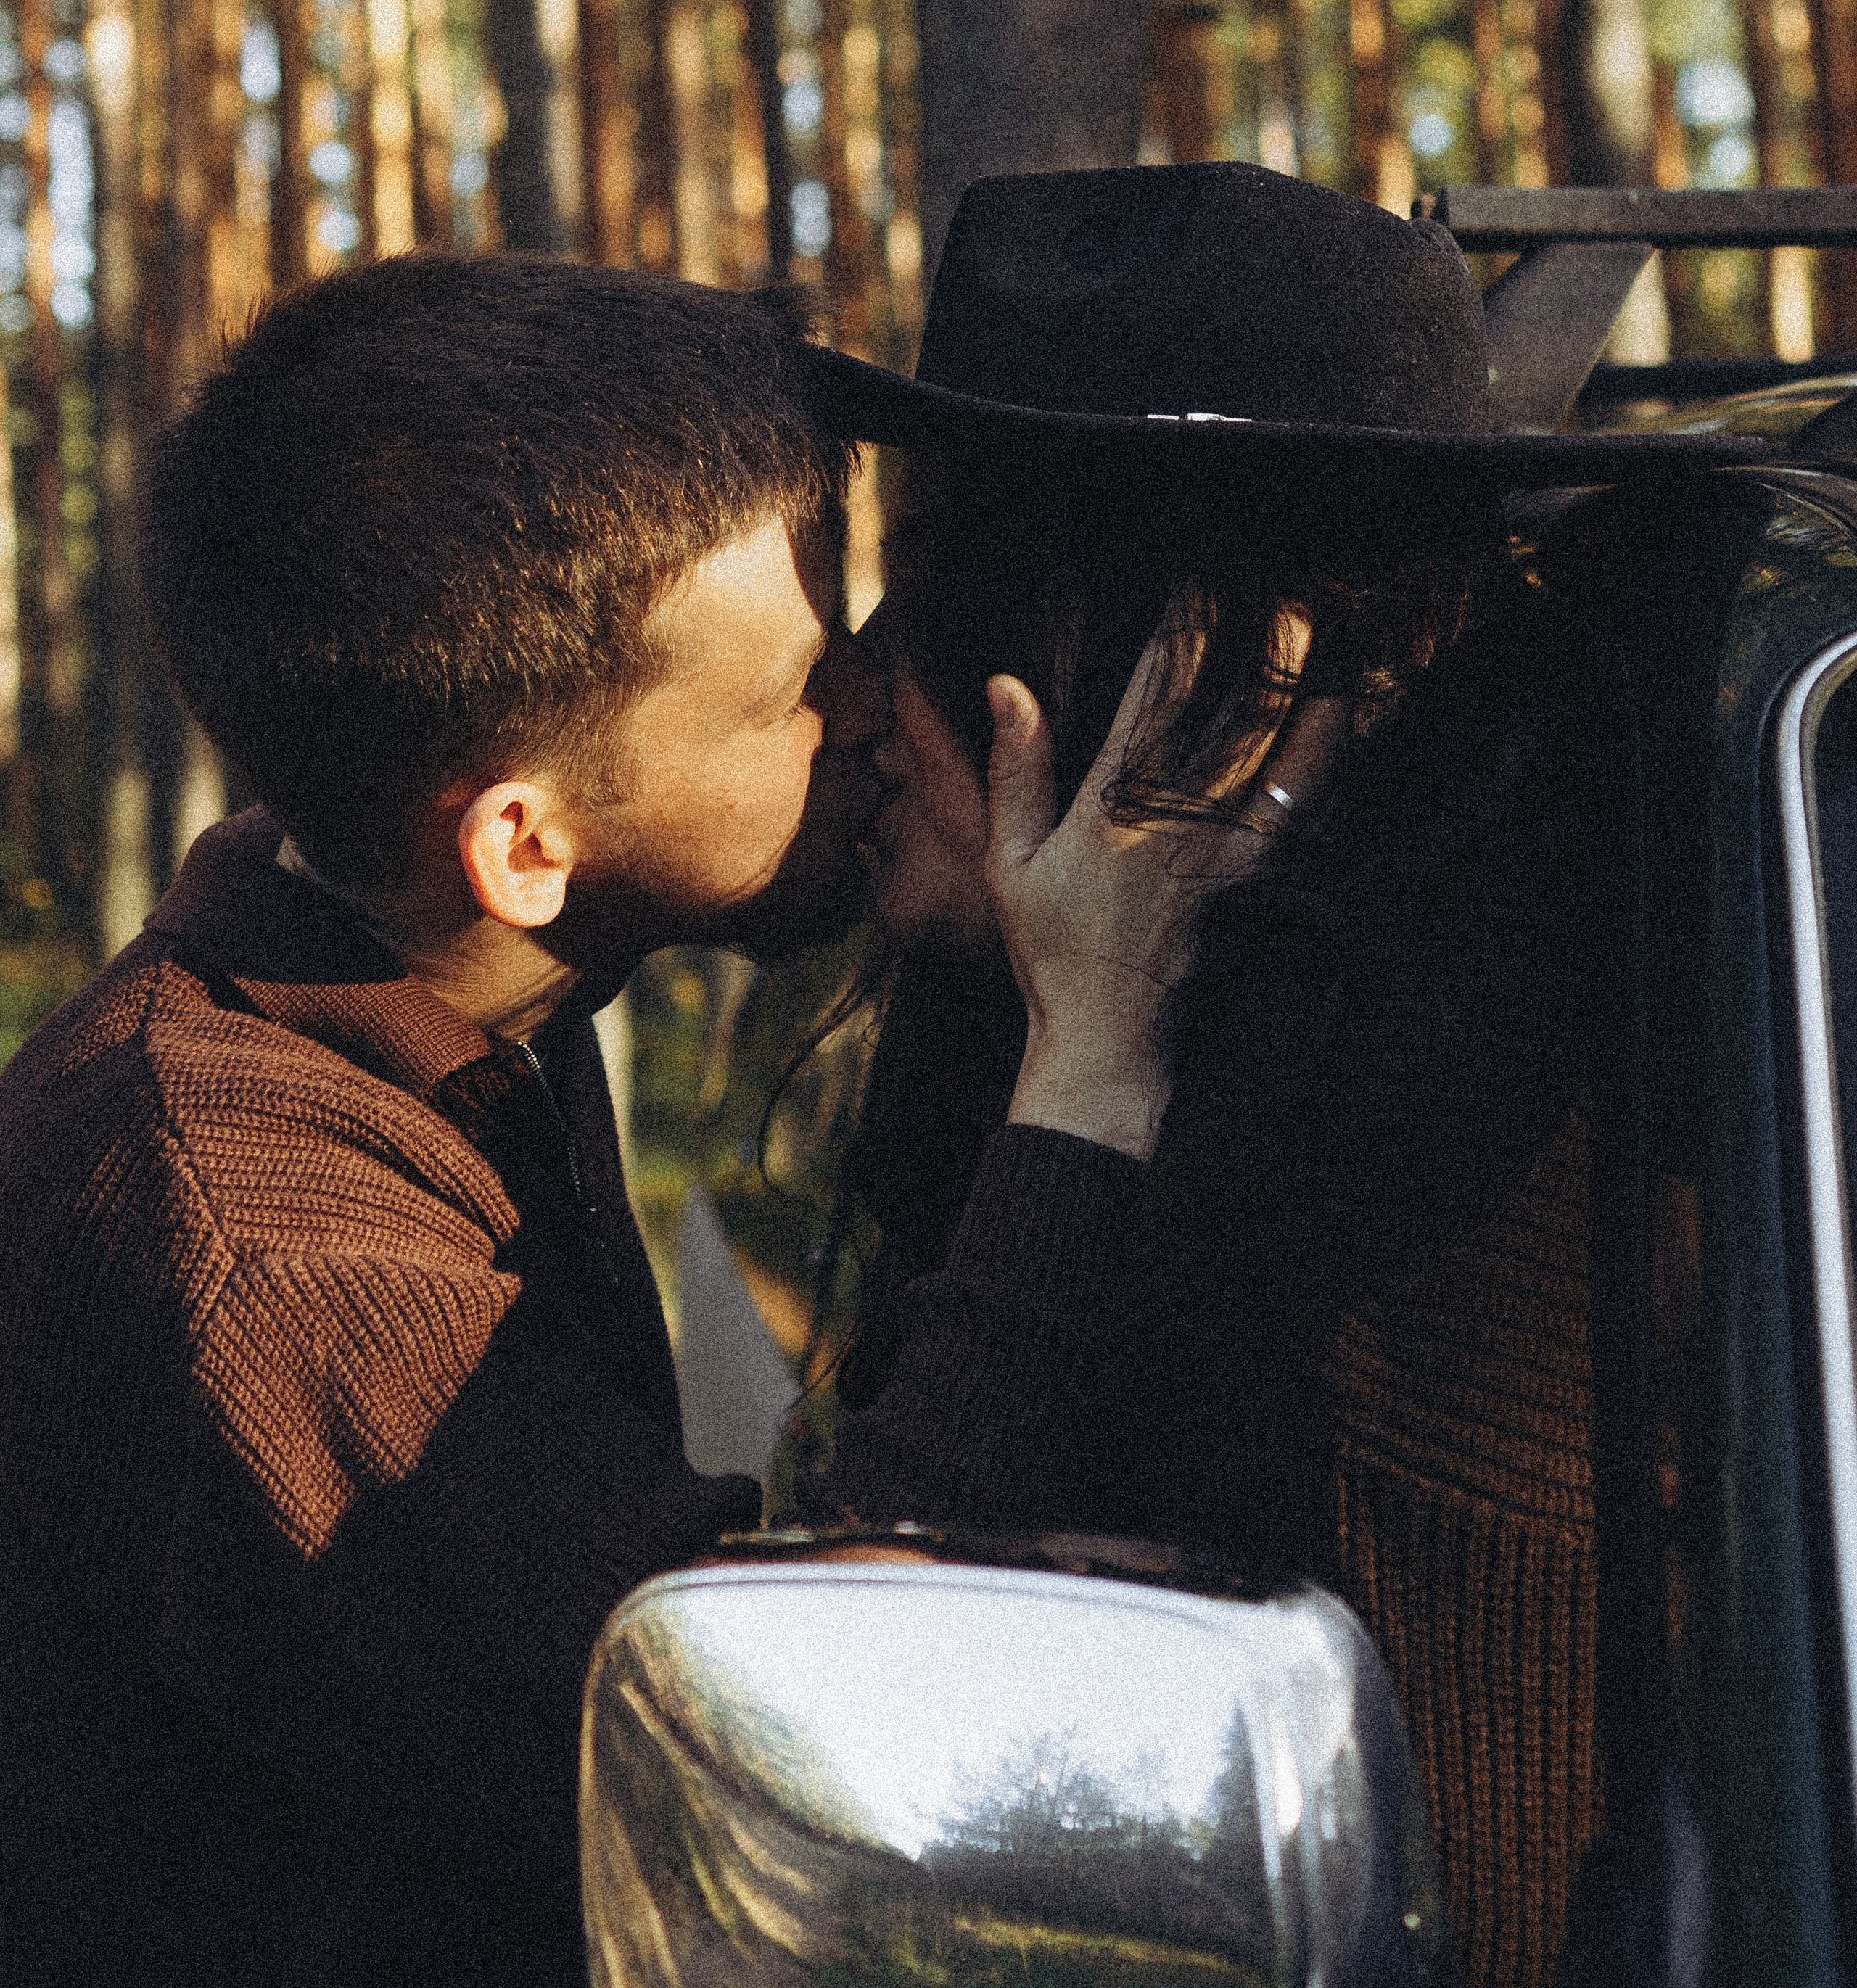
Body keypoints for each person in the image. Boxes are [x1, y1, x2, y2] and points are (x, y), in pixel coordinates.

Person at [0, 252, 1275, 1988]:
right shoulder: (254, 1237)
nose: (879, 707)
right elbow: (793, 1758)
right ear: (523, 844)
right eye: (795, 690)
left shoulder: (444, 1010)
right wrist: (1091, 1065)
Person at [796, 163, 1680, 1988]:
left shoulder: (1447, 1185)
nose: (859, 687)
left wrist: (1092, 1083)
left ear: (1171, 654)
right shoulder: (1081, 1041)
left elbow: (863, 1757)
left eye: (952, 595)